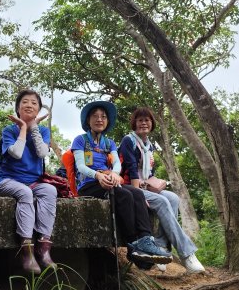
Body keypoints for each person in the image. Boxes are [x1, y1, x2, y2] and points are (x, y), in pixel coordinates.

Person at [71, 101, 173, 266]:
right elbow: (81, 166)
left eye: (103, 117)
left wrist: (114, 173)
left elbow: (117, 164)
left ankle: (146, 239)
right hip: (89, 184)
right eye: (95, 116)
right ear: (88, 121)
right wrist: (98, 176)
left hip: (108, 179)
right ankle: (133, 244)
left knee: (138, 193)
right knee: (125, 195)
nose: (99, 119)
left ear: (107, 121)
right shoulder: (80, 140)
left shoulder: (109, 143)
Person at [119, 106, 205, 274]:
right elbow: (129, 167)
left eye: (147, 120)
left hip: (144, 185)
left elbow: (148, 173)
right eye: (140, 120)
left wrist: (155, 184)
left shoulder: (148, 146)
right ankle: (187, 254)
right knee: (162, 200)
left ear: (152, 123)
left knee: (173, 198)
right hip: (130, 187)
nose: (144, 123)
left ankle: (160, 245)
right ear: (134, 123)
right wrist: (139, 195)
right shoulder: (128, 140)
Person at [0, 89, 57, 274]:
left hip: (32, 181)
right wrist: (23, 129)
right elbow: (16, 153)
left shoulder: (43, 131)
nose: (29, 105)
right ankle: (26, 251)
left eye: (34, 103)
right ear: (18, 108)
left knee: (50, 191)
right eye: (25, 102)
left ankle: (44, 248)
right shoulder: (9, 130)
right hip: (7, 181)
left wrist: (34, 128)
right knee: (25, 193)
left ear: (38, 109)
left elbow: (42, 152)